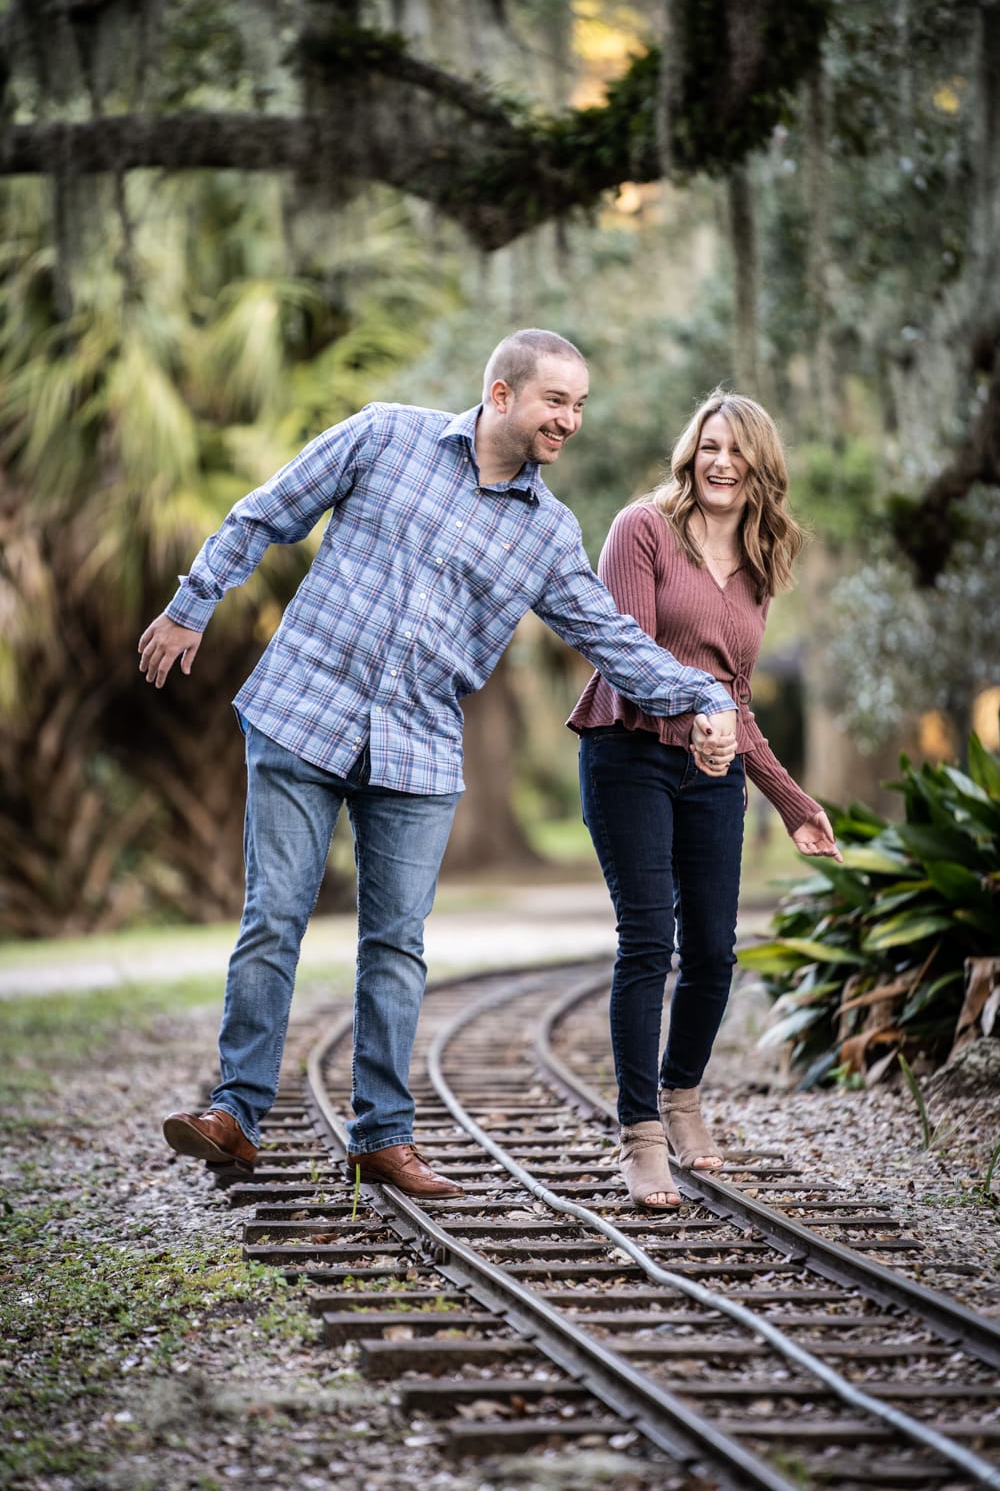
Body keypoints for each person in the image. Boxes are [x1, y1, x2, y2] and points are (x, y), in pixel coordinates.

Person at [139, 329, 741, 1200]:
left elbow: (614, 640)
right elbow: (267, 511)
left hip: (417, 747)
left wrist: (702, 696)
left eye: (579, 406)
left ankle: (381, 1136)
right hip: (303, 710)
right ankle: (235, 1115)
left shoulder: (548, 533)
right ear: (501, 395)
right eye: (555, 401)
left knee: (397, 945)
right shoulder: (384, 434)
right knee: (274, 917)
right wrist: (191, 606)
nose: (570, 420)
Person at [568, 391, 841, 1211]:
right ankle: (642, 1135)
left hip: (713, 766)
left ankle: (683, 1095)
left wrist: (794, 802)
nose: (721, 463)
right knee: (649, 940)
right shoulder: (642, 529)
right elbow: (626, 654)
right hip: (628, 753)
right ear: (691, 453)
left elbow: (737, 695)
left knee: (716, 952)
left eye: (738, 451)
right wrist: (697, 718)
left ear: (762, 469)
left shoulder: (760, 564)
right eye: (709, 446)